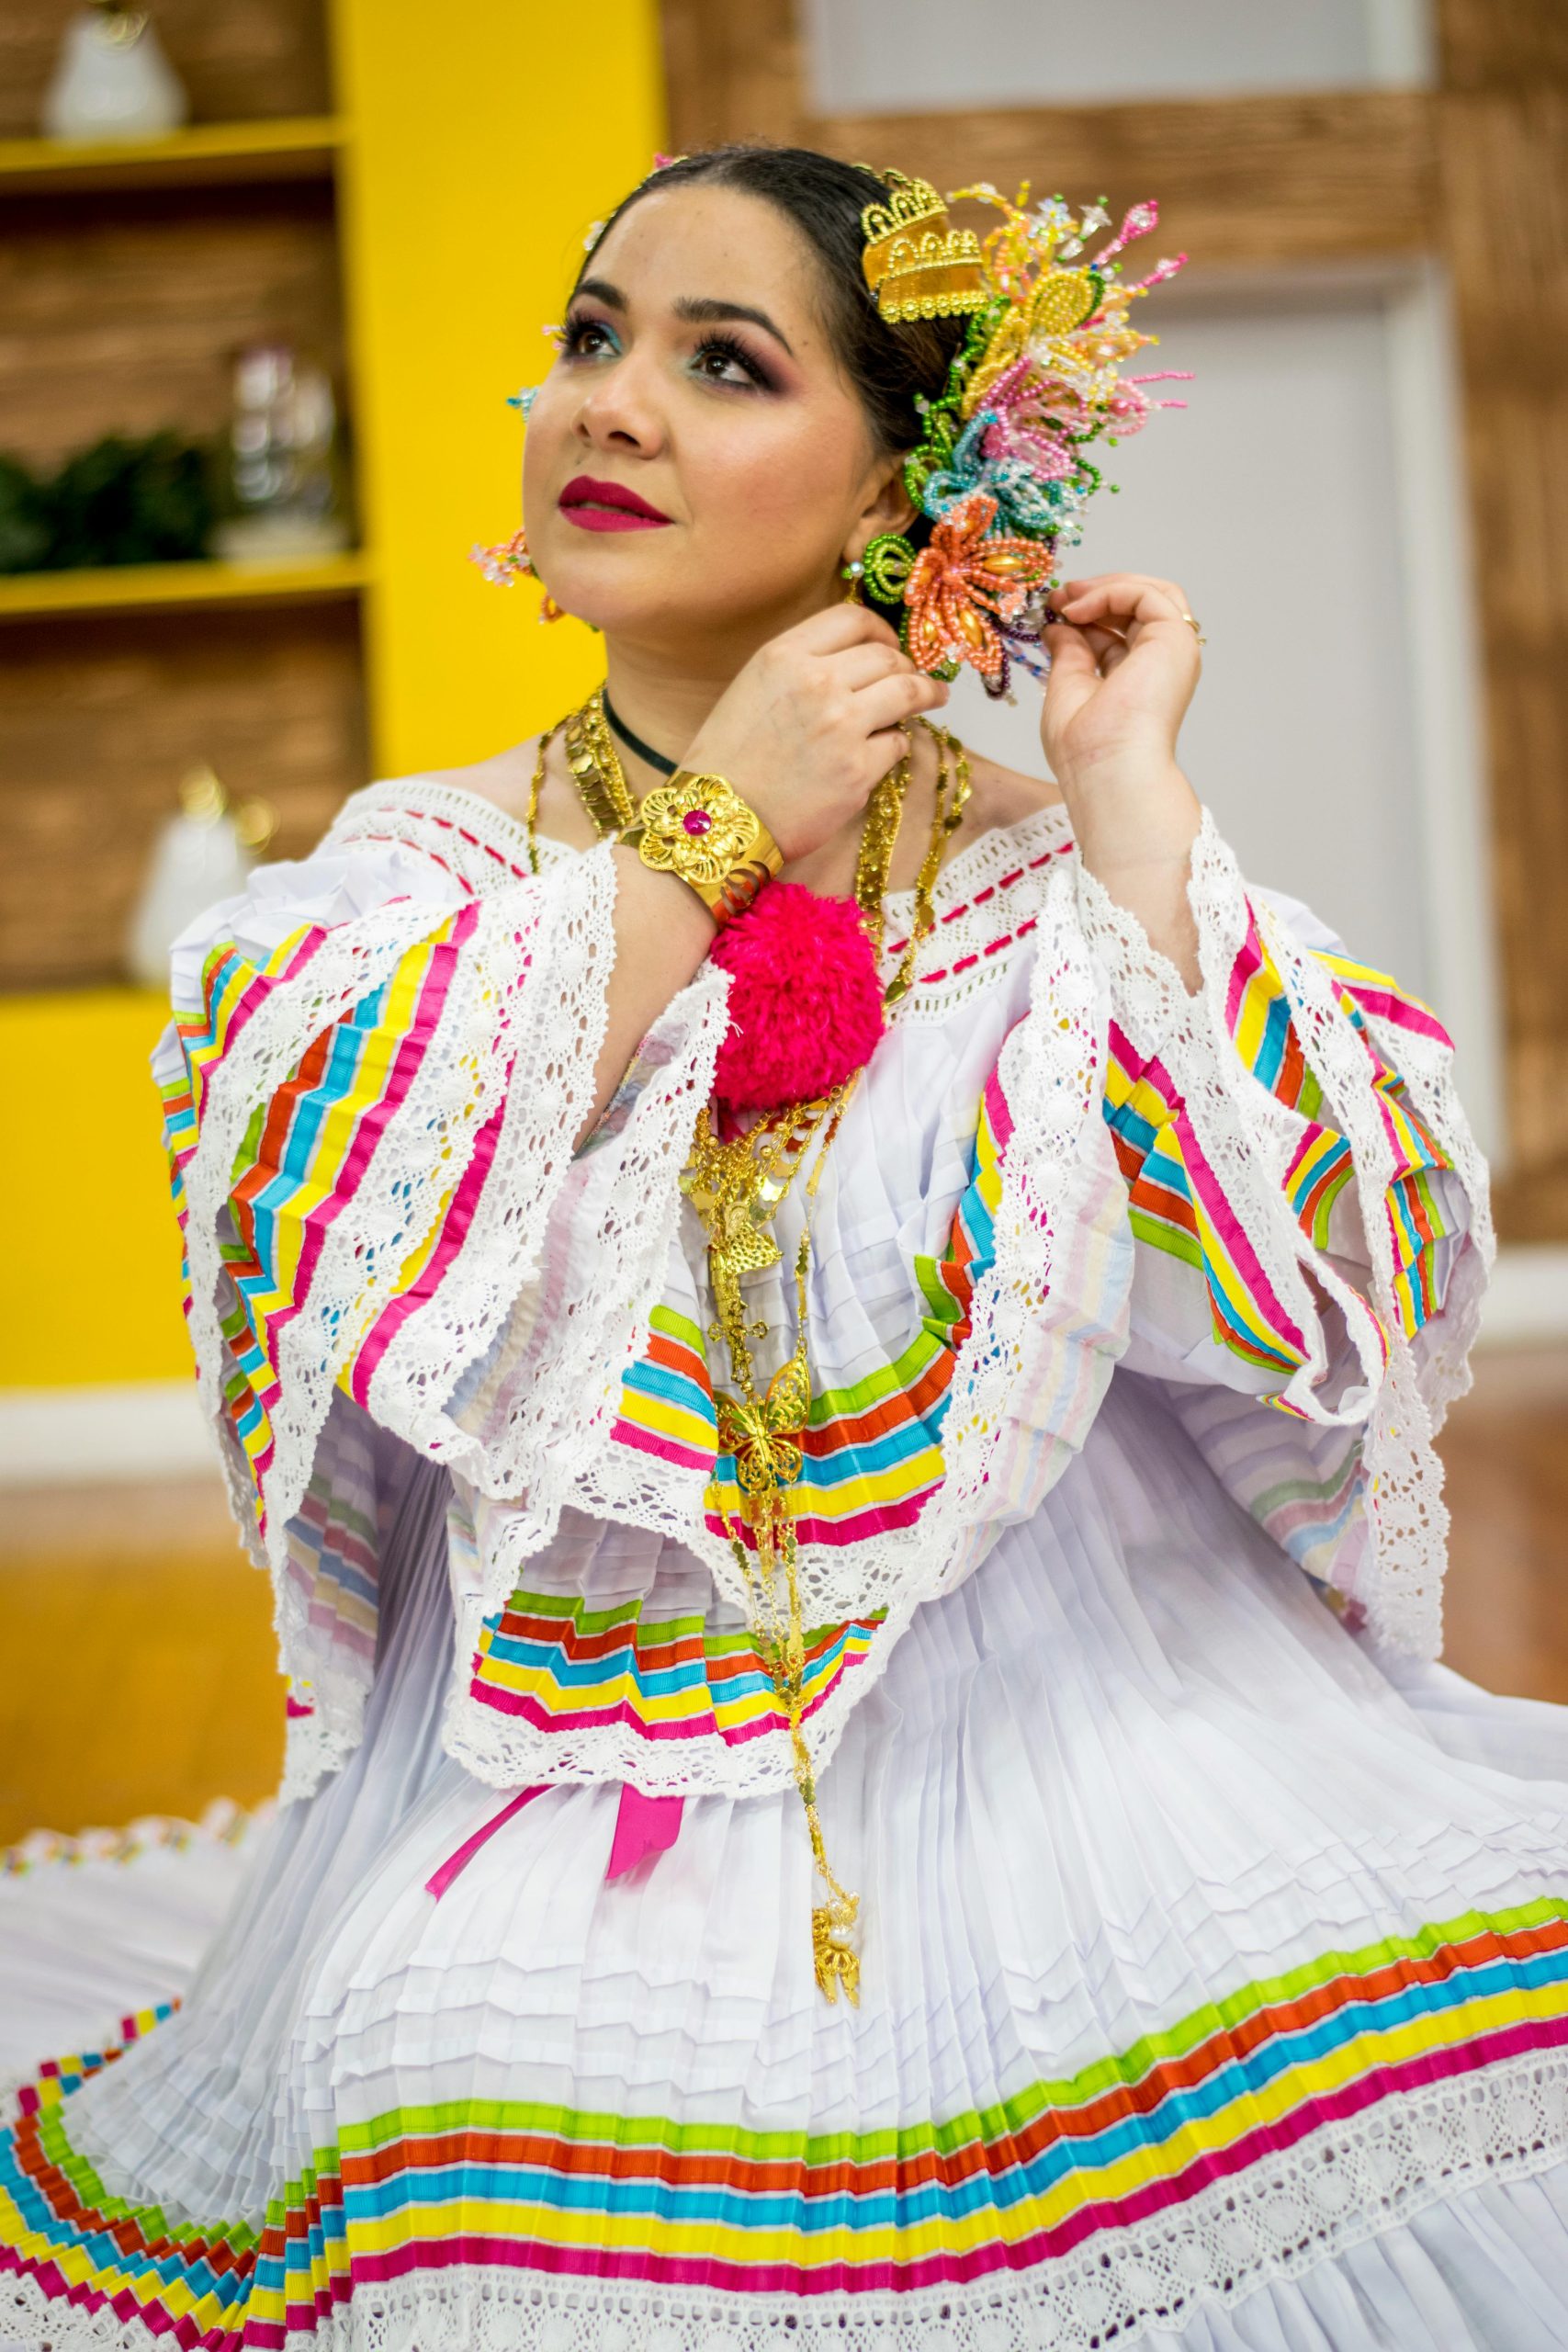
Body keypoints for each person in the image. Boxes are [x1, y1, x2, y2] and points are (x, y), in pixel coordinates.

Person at [6, 141, 1568, 2352]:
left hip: (1079, 1724)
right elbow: (308, 1201)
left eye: (718, 361)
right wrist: (708, 840)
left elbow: (1340, 1285)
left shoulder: (1040, 876)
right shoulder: (426, 876)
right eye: (586, 335)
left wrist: (1126, 793)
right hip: (566, 1763)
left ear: (897, 493)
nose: (604, 403)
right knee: (453, 2136)